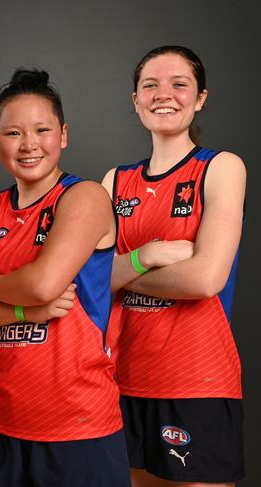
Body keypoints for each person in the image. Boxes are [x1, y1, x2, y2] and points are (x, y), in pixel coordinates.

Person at [0, 68, 130, 487]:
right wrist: (21, 311)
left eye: (42, 129)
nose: (29, 144)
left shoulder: (85, 197)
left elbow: (42, 285)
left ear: (63, 135)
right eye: (14, 133)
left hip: (78, 426)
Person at [102, 45, 246, 486]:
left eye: (179, 84)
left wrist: (124, 270)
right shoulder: (114, 180)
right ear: (135, 100)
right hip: (121, 380)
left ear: (200, 97)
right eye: (151, 85)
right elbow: (90, 280)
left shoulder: (220, 168)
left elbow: (205, 279)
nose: (164, 94)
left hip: (197, 381)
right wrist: (152, 254)